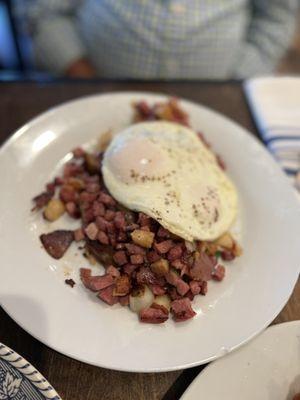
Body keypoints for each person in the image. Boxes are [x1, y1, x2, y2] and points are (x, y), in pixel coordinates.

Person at [14, 0, 298, 79]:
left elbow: (276, 17)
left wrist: (237, 77)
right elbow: (41, 11)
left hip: (221, 93)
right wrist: (79, 70)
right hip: (93, 86)